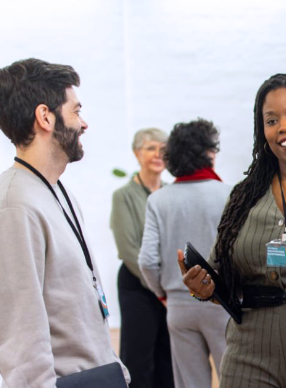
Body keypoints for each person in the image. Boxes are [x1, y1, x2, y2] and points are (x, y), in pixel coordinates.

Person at [0, 58, 129, 387]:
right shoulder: (13, 208)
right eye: (76, 111)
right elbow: (21, 347)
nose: (83, 123)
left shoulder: (54, 189)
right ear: (45, 117)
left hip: (100, 377)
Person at [178, 74, 286, 388]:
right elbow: (221, 273)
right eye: (271, 120)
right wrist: (204, 288)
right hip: (249, 353)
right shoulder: (245, 196)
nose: (284, 126)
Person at [138, 119, 231, 388]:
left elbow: (146, 260)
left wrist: (162, 293)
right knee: (234, 378)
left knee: (189, 384)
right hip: (221, 302)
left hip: (178, 304)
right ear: (208, 153)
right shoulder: (230, 194)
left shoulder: (158, 199)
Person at [110, 128, 174, 388]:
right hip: (137, 283)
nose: (157, 154)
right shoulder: (123, 196)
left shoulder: (172, 193)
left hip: (169, 286)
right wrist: (158, 287)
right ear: (137, 154)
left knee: (168, 357)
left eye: (162, 149)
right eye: (150, 148)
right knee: (139, 358)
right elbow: (128, 248)